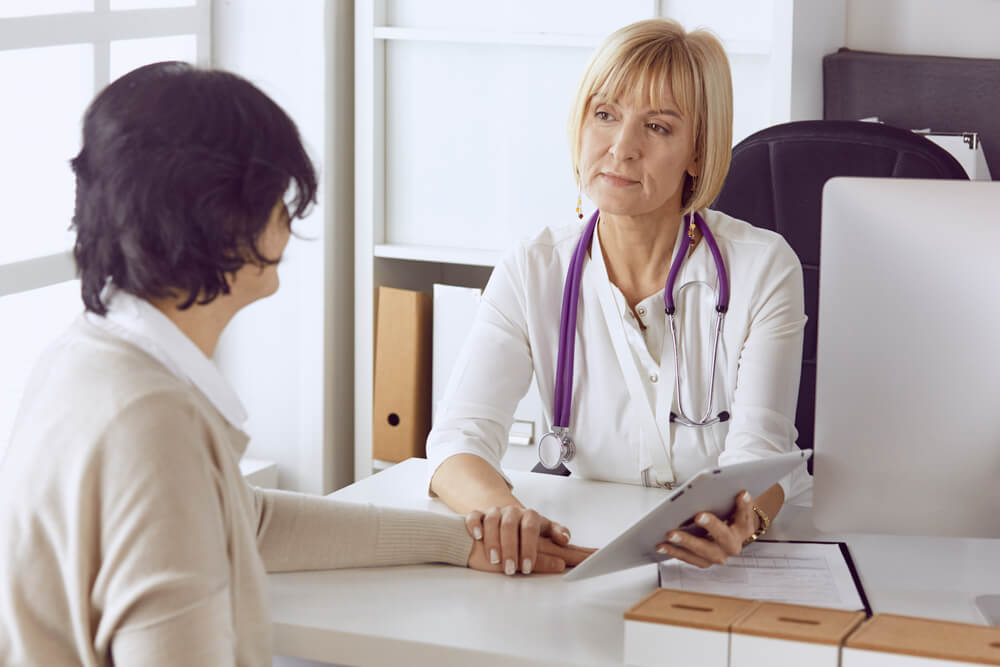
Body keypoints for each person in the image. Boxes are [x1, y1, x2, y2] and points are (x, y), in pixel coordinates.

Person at [0, 62, 587, 667]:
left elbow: (245, 520)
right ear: (218, 214)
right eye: (276, 193)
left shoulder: (90, 358)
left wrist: (457, 541)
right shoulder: (153, 426)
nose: (290, 213)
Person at [428, 18, 810, 577]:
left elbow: (760, 457)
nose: (621, 148)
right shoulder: (533, 269)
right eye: (604, 115)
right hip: (586, 556)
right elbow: (456, 443)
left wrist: (742, 522)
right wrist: (506, 514)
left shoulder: (762, 268)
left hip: (731, 568)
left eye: (657, 127)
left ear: (697, 154)